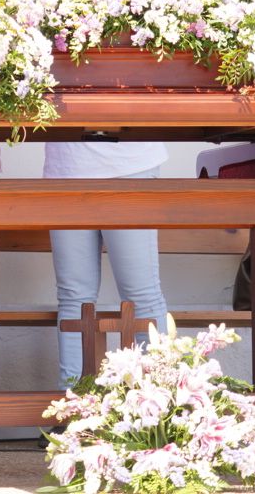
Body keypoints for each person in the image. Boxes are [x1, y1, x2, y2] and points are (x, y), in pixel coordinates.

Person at [44, 135, 169, 388]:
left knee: (140, 294)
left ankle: (159, 404)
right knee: (74, 297)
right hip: (66, 169)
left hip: (129, 167)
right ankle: (72, 406)